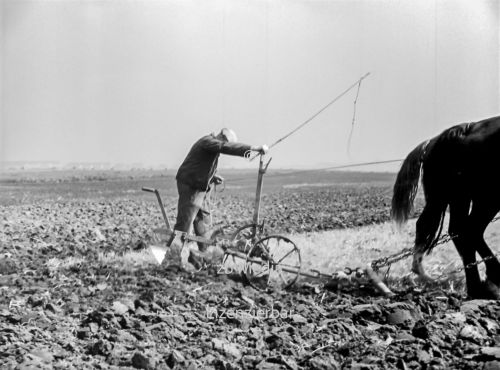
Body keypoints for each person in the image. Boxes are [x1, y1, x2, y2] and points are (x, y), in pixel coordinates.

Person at [173, 128, 268, 267]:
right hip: (191, 186)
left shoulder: (211, 146)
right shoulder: (208, 141)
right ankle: (172, 261)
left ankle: (203, 259)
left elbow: (200, 165)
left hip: (201, 187)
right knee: (184, 226)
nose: (226, 146)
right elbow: (224, 147)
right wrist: (253, 148)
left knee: (203, 224)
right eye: (227, 142)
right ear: (222, 137)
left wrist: (212, 177)